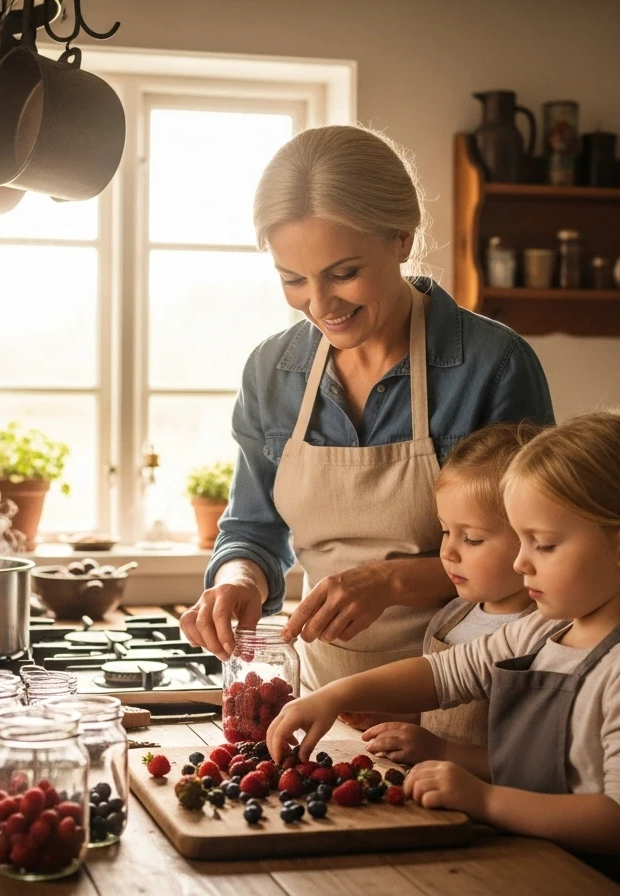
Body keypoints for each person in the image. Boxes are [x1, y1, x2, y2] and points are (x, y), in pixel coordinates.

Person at [266, 410, 620, 896]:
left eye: (543, 545)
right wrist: (336, 695)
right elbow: (444, 674)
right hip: (519, 866)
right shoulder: (546, 629)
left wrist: (485, 800)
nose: (521, 561)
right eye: (521, 540)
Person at [178, 124, 553, 693]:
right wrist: (238, 580)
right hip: (324, 702)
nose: (320, 304)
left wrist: (392, 582)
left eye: (344, 274)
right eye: (293, 280)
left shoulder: (494, 365)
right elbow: (253, 530)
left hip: (468, 697)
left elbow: (538, 551)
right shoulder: (272, 373)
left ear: (401, 239)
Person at [361, 421, 540, 765]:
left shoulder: (545, 634)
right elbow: (438, 713)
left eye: (471, 538)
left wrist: (443, 753)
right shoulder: (450, 617)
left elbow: (535, 765)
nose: (448, 552)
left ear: (533, 538)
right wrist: (397, 722)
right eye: (445, 531)